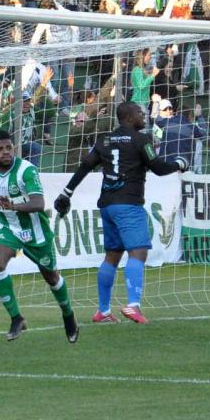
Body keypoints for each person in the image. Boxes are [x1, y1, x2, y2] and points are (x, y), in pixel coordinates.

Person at [53, 102, 187, 324]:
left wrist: (67, 192)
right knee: (139, 251)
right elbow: (158, 168)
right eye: (140, 113)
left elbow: (85, 165)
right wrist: (179, 164)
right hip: (128, 204)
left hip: (107, 205)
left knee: (112, 256)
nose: (143, 116)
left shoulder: (104, 140)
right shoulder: (140, 139)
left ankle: (103, 311)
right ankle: (133, 305)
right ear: (129, 117)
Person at [0, 130, 79, 343]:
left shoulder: (26, 170)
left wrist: (13, 206)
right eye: (0, 149)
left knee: (51, 277)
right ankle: (16, 318)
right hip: (8, 228)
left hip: (37, 232)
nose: (5, 152)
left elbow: (38, 203)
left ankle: (68, 314)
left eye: (9, 147)